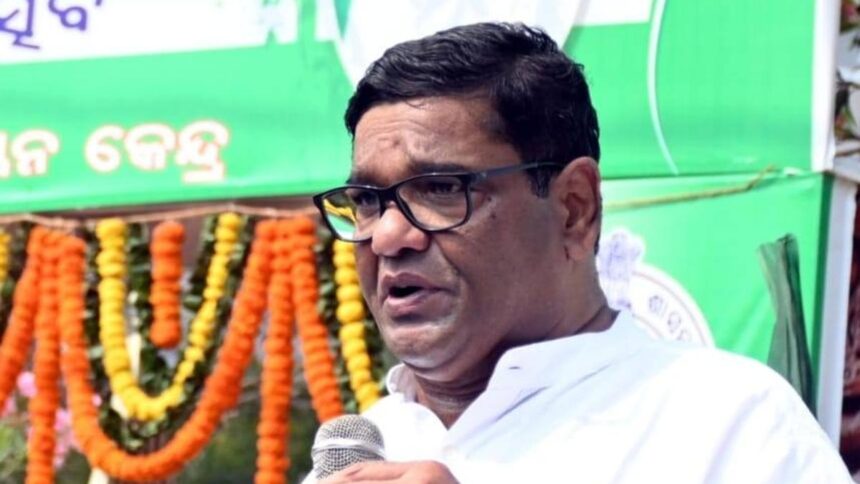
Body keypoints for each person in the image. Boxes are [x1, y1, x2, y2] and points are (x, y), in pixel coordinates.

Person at [311, 22, 852, 483]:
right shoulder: (366, 451)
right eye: (366, 201)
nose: (387, 237)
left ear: (574, 208)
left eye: (441, 188)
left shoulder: (727, 420)